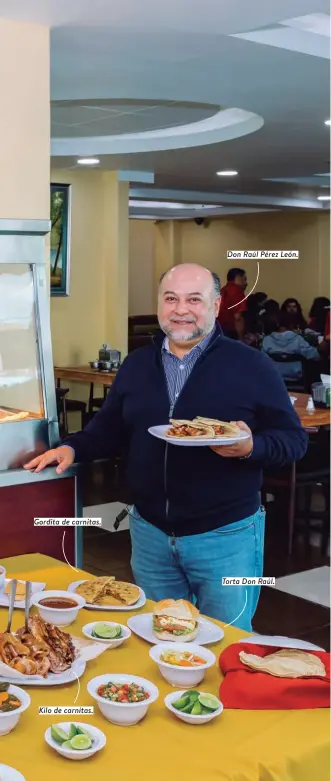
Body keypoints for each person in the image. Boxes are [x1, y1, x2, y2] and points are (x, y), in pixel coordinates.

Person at [24, 264, 307, 632]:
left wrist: (251, 446)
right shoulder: (137, 364)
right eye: (171, 298)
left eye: (194, 299)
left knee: (226, 642)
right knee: (156, 640)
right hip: (150, 533)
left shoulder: (251, 366)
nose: (181, 309)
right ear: (159, 304)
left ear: (217, 304)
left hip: (226, 536)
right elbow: (109, 428)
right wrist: (73, 449)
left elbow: (293, 440)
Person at [262, 311, 321, 380]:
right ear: (291, 324)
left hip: (273, 376)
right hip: (297, 376)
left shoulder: (267, 339)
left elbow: (262, 359)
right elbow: (315, 356)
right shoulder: (298, 339)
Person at [217, 267, 247, 337]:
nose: (245, 283)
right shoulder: (237, 291)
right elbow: (238, 317)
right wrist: (241, 338)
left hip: (217, 330)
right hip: (230, 332)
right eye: (244, 279)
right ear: (238, 277)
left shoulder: (222, 290)